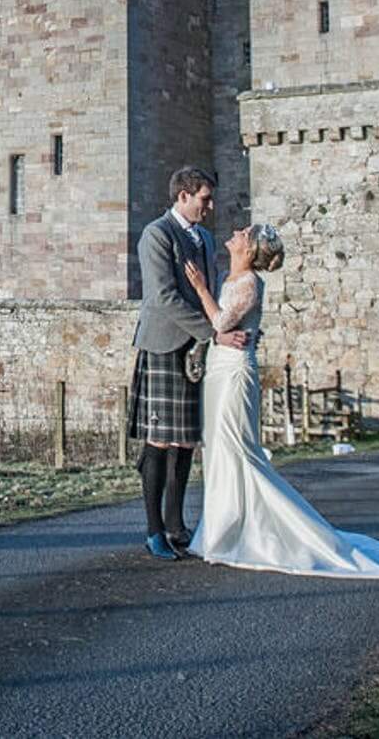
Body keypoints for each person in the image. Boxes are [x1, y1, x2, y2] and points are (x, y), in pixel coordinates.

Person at [181, 224, 379, 578]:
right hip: (221, 369)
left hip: (234, 373)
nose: (236, 231)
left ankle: (239, 533)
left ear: (249, 251)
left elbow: (220, 320)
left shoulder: (249, 282)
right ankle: (221, 531)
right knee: (220, 449)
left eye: (245, 233)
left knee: (237, 450)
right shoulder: (232, 276)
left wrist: (201, 288)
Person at [127, 166, 250, 560]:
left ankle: (177, 524)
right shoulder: (157, 235)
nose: (210, 207)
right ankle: (153, 531)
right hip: (164, 345)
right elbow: (163, 297)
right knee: (159, 441)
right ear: (183, 196)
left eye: (209, 199)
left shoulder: (207, 237)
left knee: (185, 441)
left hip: (195, 349)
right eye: (203, 199)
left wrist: (219, 329)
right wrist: (212, 332)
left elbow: (209, 293)